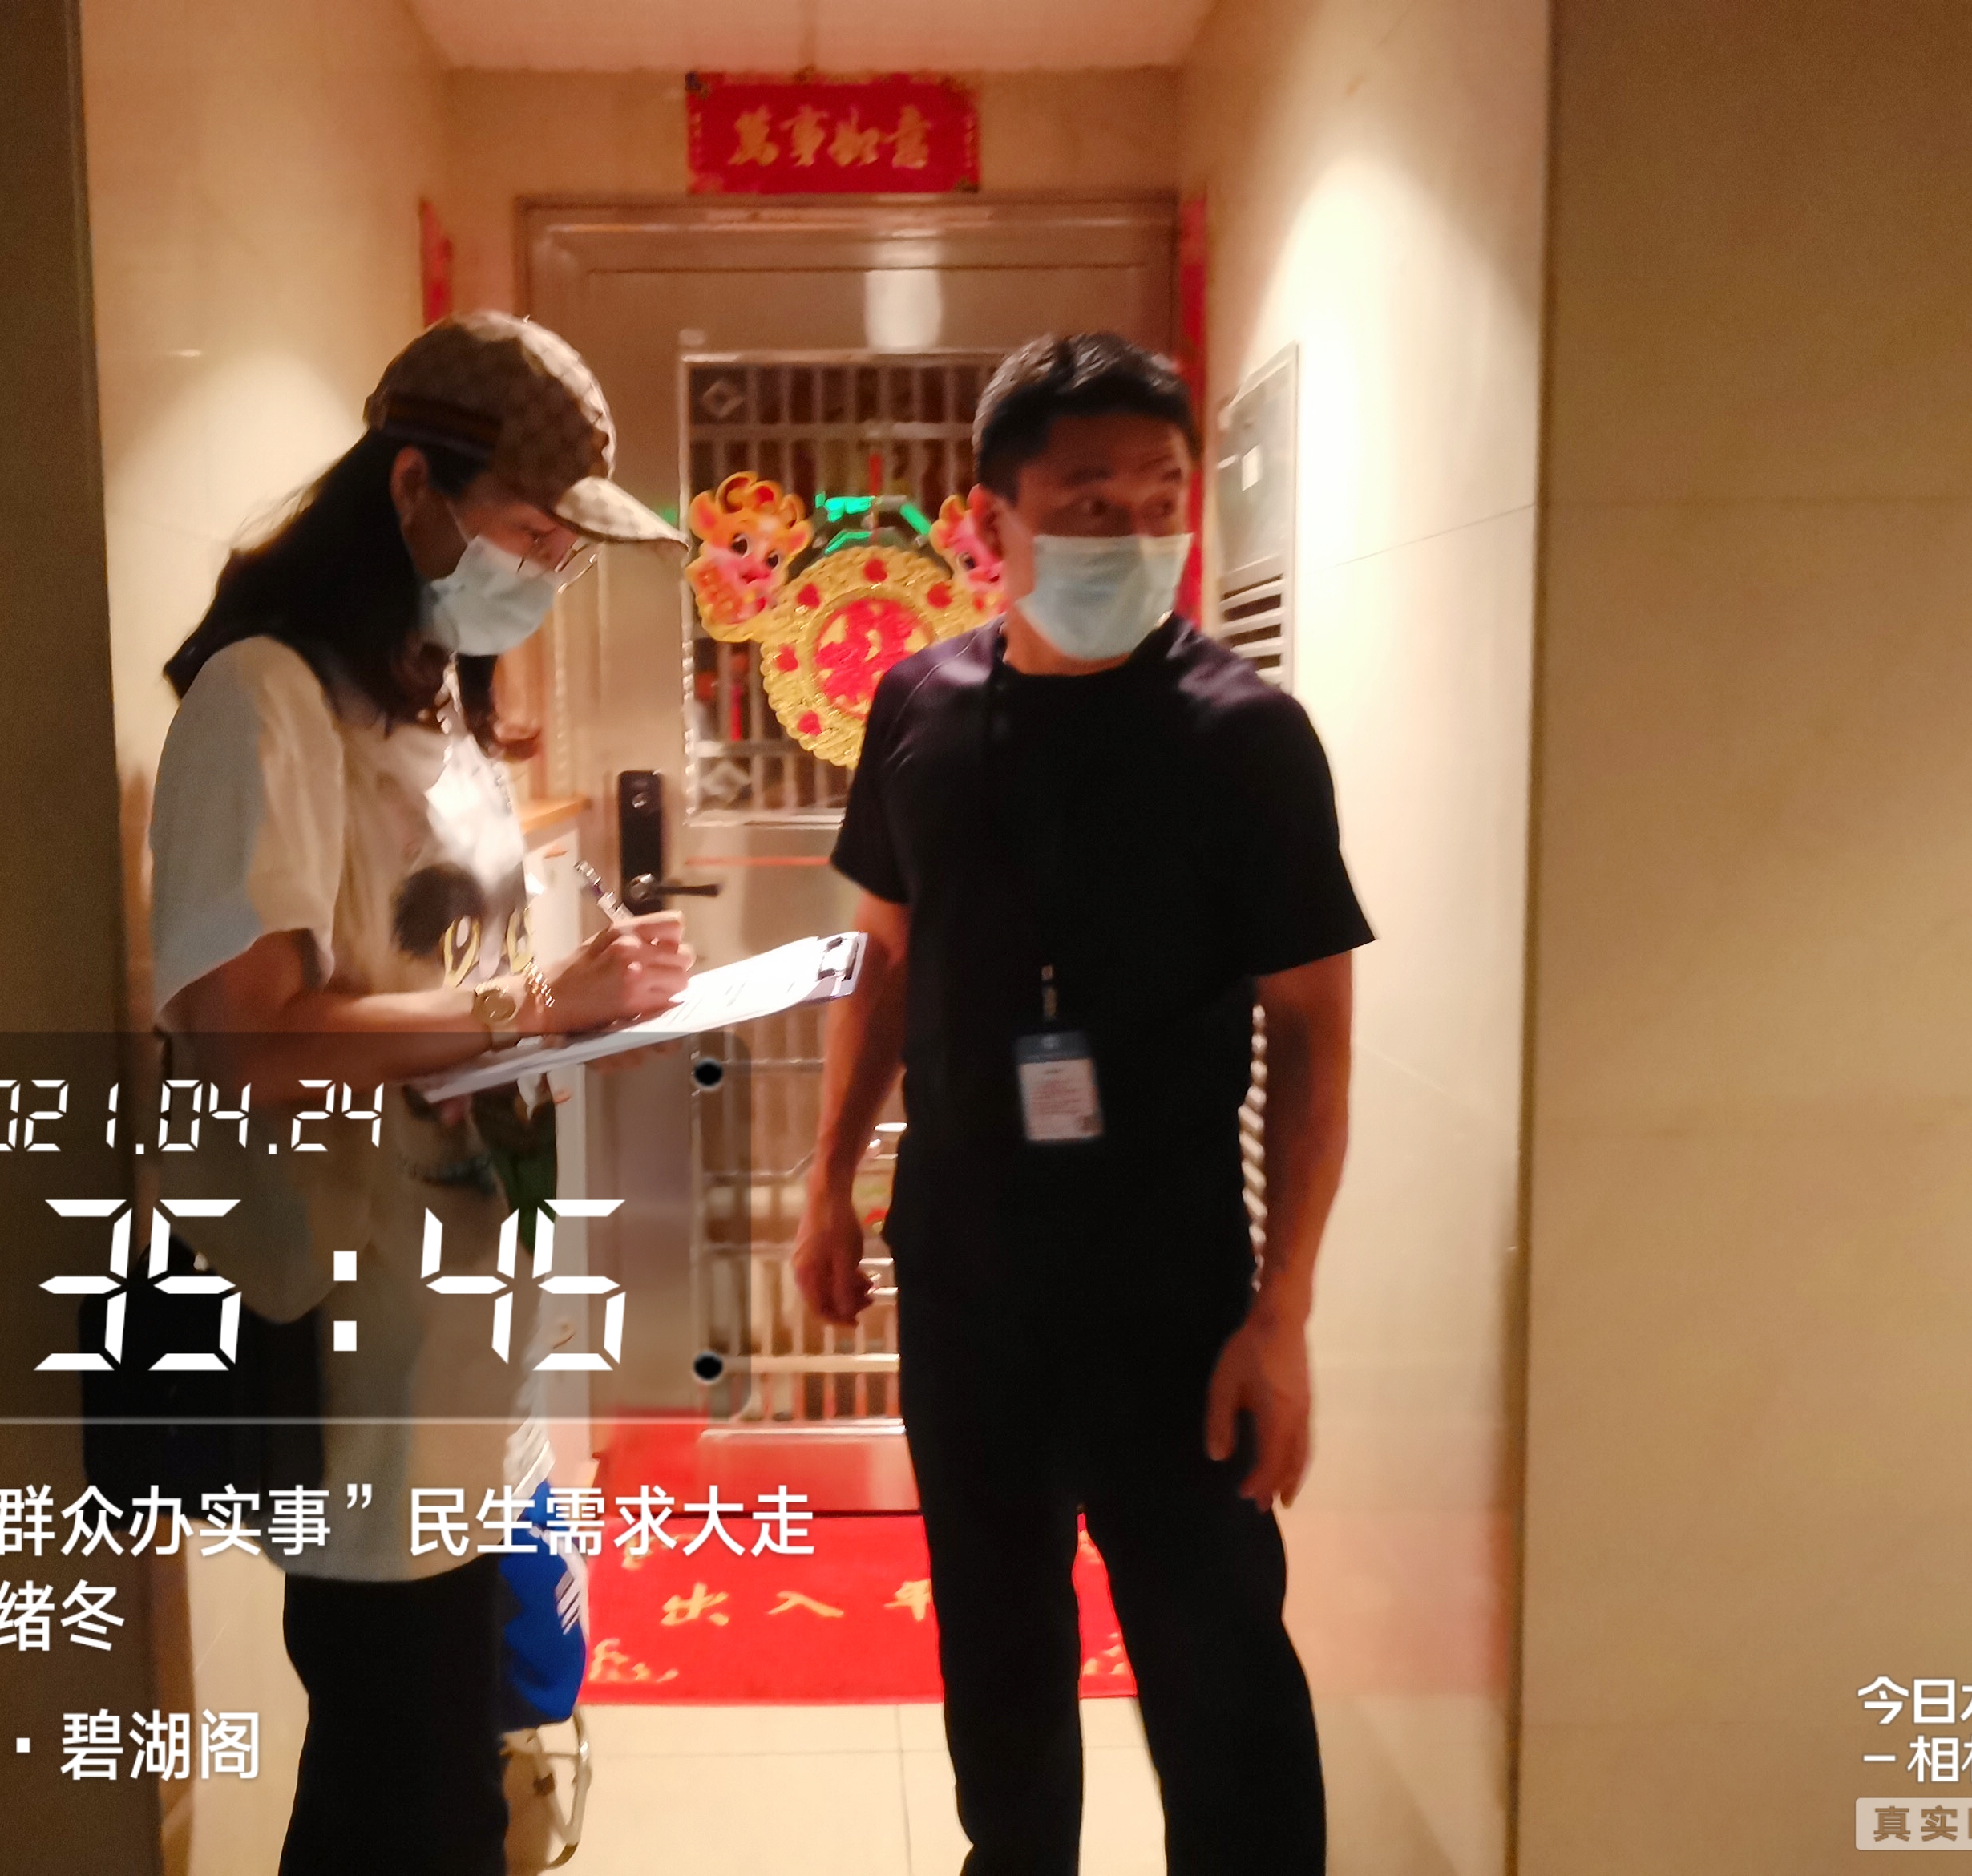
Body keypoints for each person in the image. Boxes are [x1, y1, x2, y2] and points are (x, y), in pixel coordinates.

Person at [790, 332, 1372, 1874]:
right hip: (966, 1272)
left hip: (1170, 1287)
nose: (1135, 528)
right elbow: (881, 960)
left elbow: (1315, 1030)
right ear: (991, 520)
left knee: (1217, 1664)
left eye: (1161, 494)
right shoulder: (919, 706)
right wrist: (827, 1178)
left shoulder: (1245, 735)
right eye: (1089, 500)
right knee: (996, 1650)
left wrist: (1284, 1312)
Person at [147, 312, 693, 1876]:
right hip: (359, 1340)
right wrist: (535, 1005)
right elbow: (249, 1036)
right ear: (412, 491)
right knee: (401, 1787)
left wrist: (577, 1020)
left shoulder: (431, 698)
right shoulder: (264, 699)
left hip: (467, 1312)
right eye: (532, 532)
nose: (549, 570)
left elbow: (433, 996)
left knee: (436, 1770)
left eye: (567, 549)